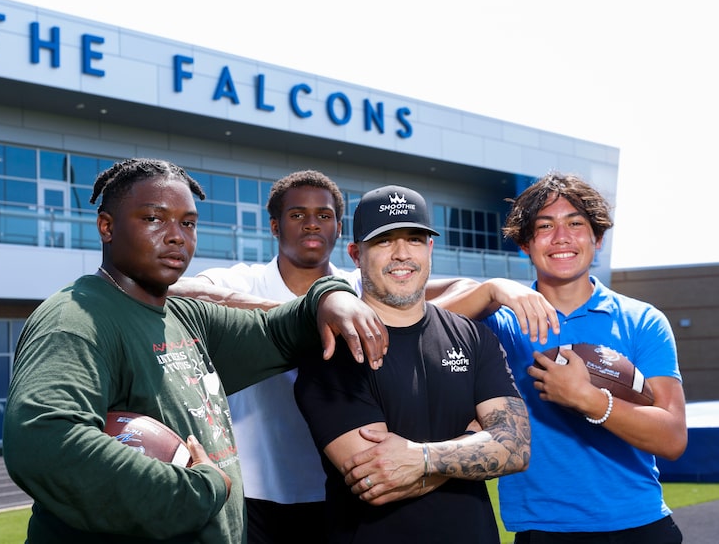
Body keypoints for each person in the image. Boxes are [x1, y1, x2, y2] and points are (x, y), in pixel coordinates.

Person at [1, 158, 389, 544]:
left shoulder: (185, 316)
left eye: (187, 223)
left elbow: (280, 331)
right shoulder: (77, 318)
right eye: (154, 219)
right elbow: (44, 441)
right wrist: (199, 489)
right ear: (106, 226)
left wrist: (330, 294)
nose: (176, 236)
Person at [169, 170, 491, 543]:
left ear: (339, 229)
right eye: (297, 215)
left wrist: (497, 287)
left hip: (339, 489)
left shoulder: (365, 287)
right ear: (274, 226)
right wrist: (309, 313)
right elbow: (177, 292)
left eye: (323, 216)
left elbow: (465, 288)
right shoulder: (242, 280)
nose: (311, 224)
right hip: (254, 487)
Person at [451, 171, 688, 543]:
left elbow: (673, 438)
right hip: (544, 530)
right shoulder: (500, 323)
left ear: (597, 238)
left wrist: (589, 400)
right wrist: (491, 289)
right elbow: (419, 325)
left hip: (640, 525)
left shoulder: (642, 320)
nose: (561, 237)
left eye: (575, 223)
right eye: (545, 226)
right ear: (525, 244)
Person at [293, 184, 532, 543]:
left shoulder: (474, 337)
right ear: (356, 254)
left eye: (415, 239)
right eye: (385, 241)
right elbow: (377, 478)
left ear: (430, 248)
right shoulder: (331, 351)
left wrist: (420, 458)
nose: (402, 254)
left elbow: (516, 446)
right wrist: (474, 439)